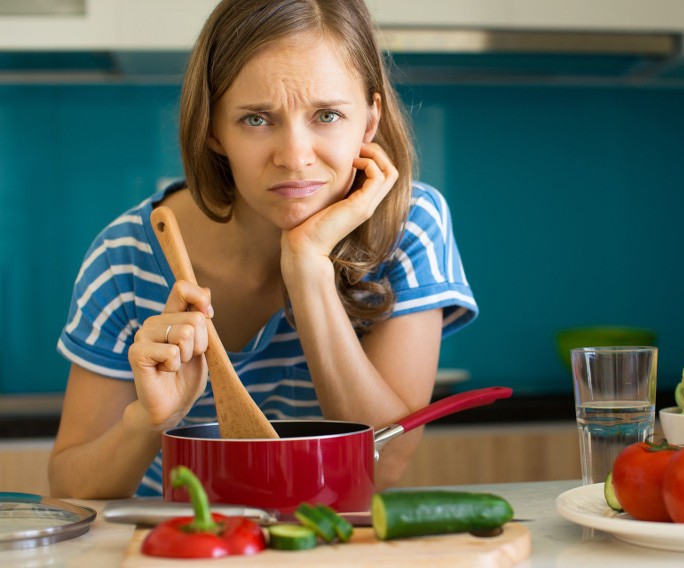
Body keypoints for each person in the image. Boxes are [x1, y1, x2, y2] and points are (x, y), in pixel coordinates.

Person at [49, 0, 477, 499]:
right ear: (213, 129)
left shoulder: (410, 227)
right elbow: (68, 487)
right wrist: (148, 421)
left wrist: (307, 267)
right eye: (256, 119)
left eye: (328, 115)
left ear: (369, 119)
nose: (294, 157)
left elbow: (383, 464)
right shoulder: (125, 258)